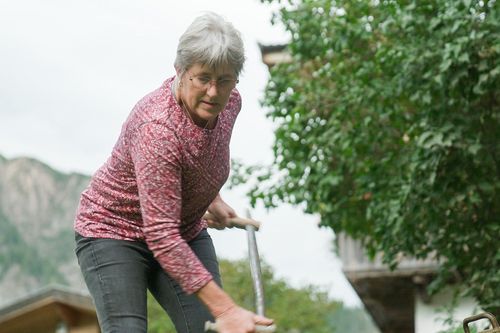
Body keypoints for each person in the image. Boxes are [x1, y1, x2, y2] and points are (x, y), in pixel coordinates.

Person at [74, 12, 274, 333]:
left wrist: (212, 197)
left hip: (182, 230)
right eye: (203, 78)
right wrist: (228, 308)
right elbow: (161, 235)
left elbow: (204, 152)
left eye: (224, 79)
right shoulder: (157, 129)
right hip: (114, 231)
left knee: (208, 329)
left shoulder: (230, 103)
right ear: (180, 71)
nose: (213, 91)